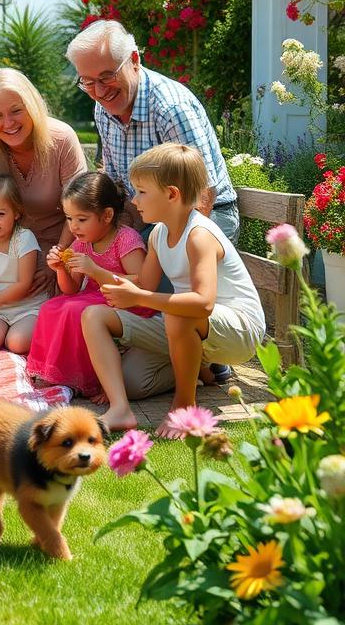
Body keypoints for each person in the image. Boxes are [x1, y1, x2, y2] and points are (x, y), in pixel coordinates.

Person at [81, 144, 265, 437]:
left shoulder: (199, 236)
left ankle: (184, 407)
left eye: (141, 191)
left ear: (171, 194)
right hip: (189, 326)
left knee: (179, 312)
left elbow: (202, 303)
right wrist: (94, 270)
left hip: (238, 331)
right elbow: (143, 284)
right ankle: (122, 407)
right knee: (99, 324)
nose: (134, 199)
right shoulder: (159, 233)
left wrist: (138, 296)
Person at [65, 19, 239, 240]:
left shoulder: (170, 108)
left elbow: (202, 195)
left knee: (146, 272)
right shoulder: (103, 110)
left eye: (107, 77)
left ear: (134, 60)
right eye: (88, 82)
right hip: (149, 218)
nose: (99, 91)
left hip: (207, 218)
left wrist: (169, 251)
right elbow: (117, 182)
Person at [26, 172, 154, 397]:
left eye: (81, 219)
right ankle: (57, 374)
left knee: (74, 310)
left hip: (127, 302)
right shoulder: (82, 243)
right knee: (51, 307)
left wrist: (96, 271)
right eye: (68, 218)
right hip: (94, 297)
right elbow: (71, 289)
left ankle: (93, 379)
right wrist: (60, 269)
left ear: (106, 215)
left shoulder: (125, 239)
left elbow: (141, 282)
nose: (73, 226)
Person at [0, 68, 87, 301]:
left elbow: (81, 209)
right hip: (4, 259)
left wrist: (56, 263)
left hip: (60, 251)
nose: (8, 123)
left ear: (32, 107)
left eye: (16, 111)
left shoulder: (62, 140)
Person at [0, 175, 48, 353]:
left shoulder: (23, 239)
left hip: (28, 307)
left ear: (16, 213)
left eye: (0, 214)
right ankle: (2, 332)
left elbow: (24, 284)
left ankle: (19, 332)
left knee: (17, 343)